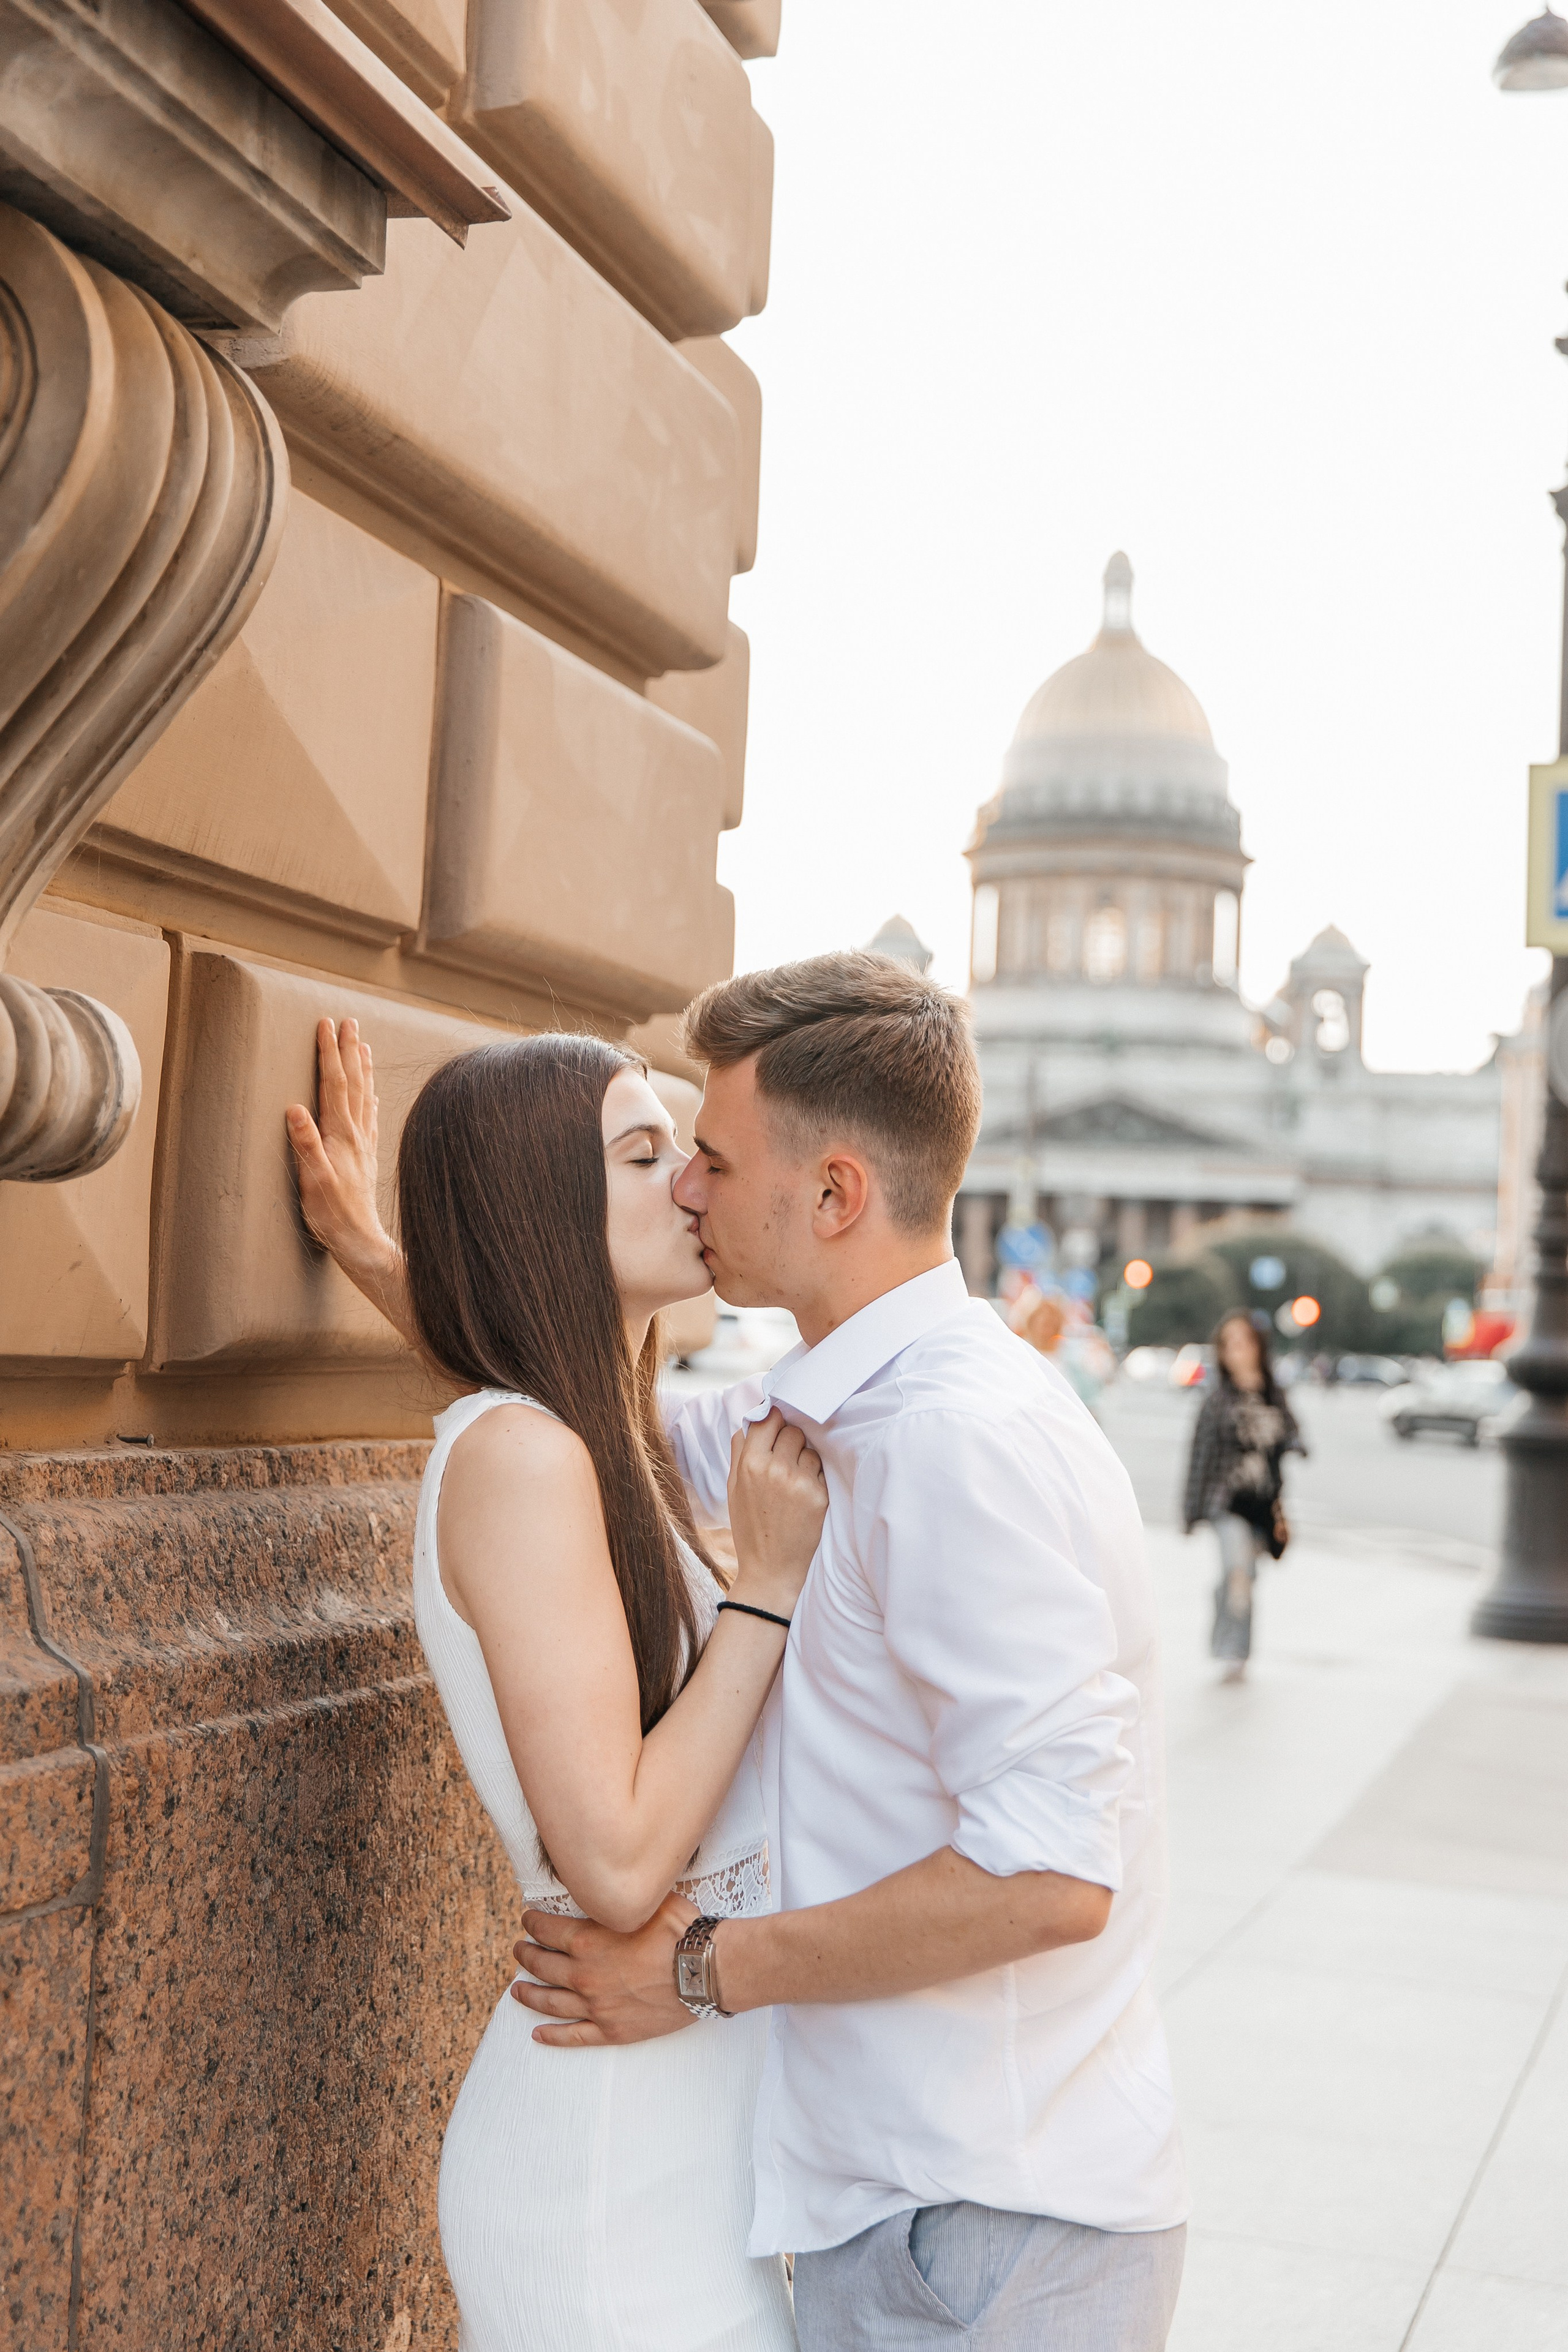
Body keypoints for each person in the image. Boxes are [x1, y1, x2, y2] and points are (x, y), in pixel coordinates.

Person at [291, 952, 1188, 2352]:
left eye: (699, 1153)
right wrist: (379, 1252)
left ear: (829, 1192)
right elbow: (544, 1414)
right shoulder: (808, 1426)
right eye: (653, 1155)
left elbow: (1054, 1867)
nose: (691, 1189)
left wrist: (708, 1966)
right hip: (819, 2190)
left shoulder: (942, 1436)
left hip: (969, 2212)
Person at [287, 1027, 825, 2350]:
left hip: (673, 2155)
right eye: (643, 1155)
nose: (691, 1183)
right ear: (537, 1207)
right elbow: (618, 1863)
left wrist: (367, 1247)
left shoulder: (587, 1435)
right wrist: (763, 1590)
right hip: (607, 2176)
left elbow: (512, 1349)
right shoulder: (525, 1457)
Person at [1182, 1309, 1305, 1683]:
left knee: (1245, 1577)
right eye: (1228, 1344)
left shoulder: (1272, 1392)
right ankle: (1229, 1650)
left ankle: (1238, 1649)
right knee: (1237, 1569)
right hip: (1225, 1501)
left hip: (1260, 1503)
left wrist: (1291, 1443)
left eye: (1243, 1342)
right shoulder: (1217, 1398)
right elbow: (1199, 1456)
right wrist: (1190, 1511)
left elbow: (1294, 1434)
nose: (1236, 1351)